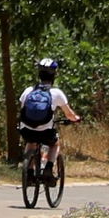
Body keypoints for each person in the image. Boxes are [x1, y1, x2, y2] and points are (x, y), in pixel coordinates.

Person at [18, 57, 80, 186]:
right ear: (54, 75)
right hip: (45, 131)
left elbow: (22, 108)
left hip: (26, 129)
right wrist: (76, 119)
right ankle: (48, 168)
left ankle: (28, 172)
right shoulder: (56, 93)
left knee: (31, 143)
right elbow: (69, 114)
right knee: (54, 144)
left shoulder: (28, 91)